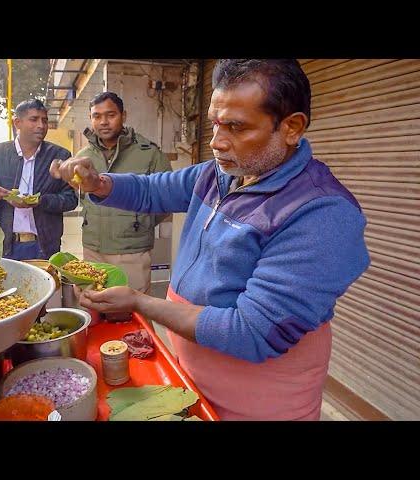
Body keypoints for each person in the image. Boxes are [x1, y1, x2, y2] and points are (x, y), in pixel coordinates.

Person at [50, 59, 371, 420]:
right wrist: (99, 184)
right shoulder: (221, 173)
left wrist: (140, 301)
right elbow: (152, 190)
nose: (217, 143)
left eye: (235, 127)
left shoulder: (322, 214)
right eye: (215, 124)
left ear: (292, 127)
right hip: (189, 377)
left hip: (258, 400)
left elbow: (251, 332)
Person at [60, 92, 172, 294]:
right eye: (97, 116)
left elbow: (166, 198)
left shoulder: (149, 153)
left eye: (110, 115)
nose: (103, 122)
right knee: (94, 306)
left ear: (124, 116)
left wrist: (141, 222)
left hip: (132, 251)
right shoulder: (83, 157)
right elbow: (83, 199)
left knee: (132, 314)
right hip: (94, 249)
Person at [0, 99, 77, 260]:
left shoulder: (60, 156)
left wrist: (40, 201)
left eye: (44, 120)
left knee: (47, 285)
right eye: (34, 119)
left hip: (44, 247)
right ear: (17, 122)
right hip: (3, 246)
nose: (41, 125)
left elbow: (70, 200)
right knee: (7, 286)